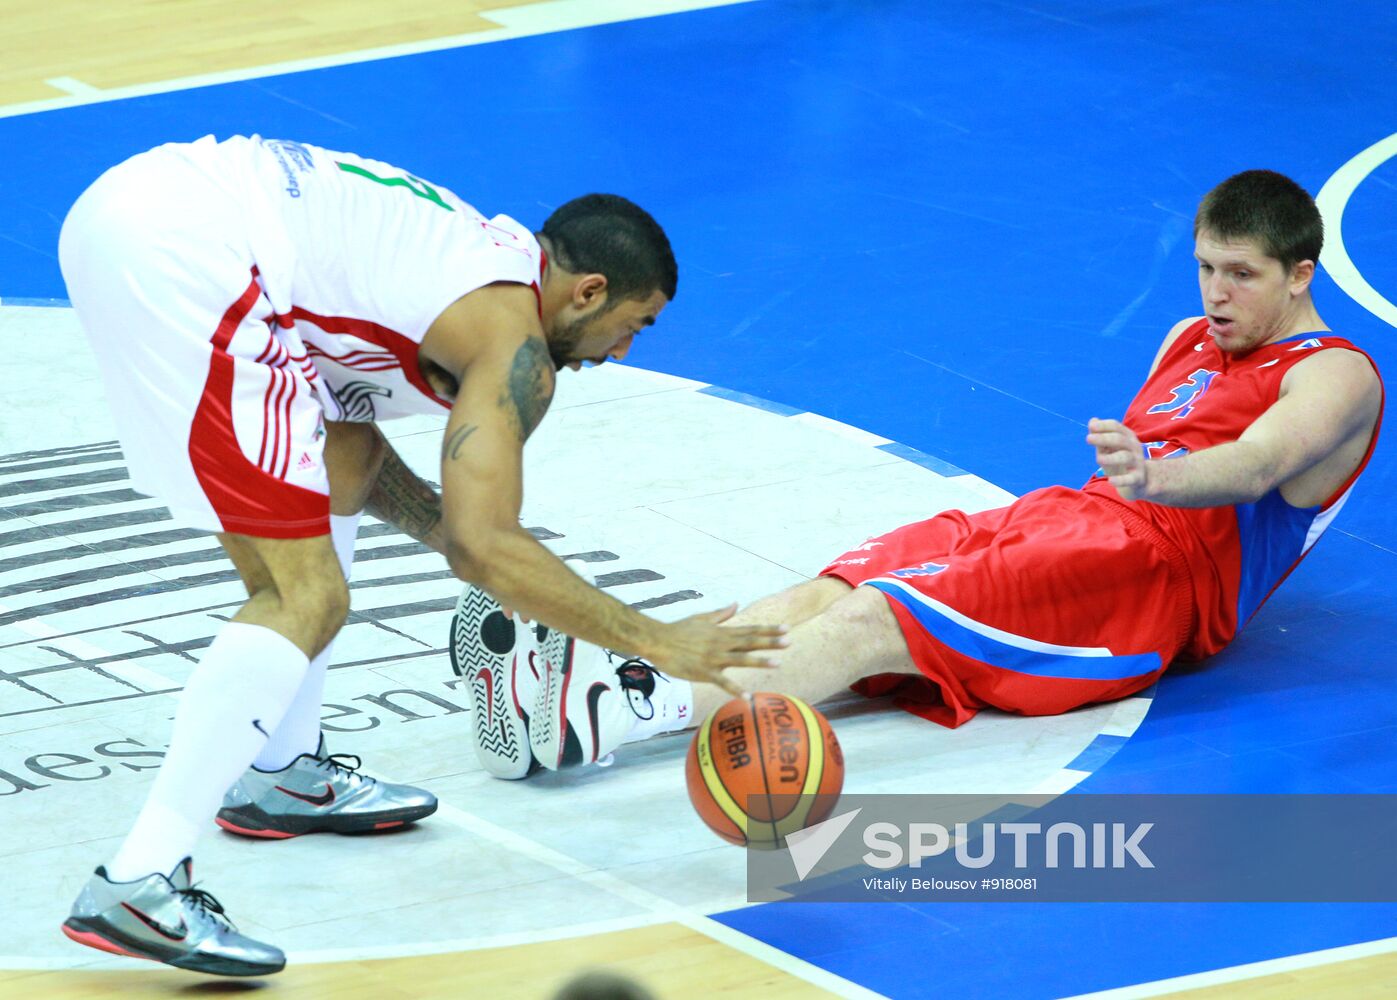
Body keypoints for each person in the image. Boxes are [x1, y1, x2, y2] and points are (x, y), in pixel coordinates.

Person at [55, 134, 786, 976]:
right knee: (302, 597)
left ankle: (279, 773)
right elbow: (485, 546)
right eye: (634, 324)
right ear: (588, 290)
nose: (622, 351)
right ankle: (138, 879)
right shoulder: (514, 347)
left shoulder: (469, 271)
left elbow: (351, 455)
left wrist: (486, 556)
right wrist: (657, 641)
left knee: (322, 493)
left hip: (147, 211)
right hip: (191, 246)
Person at [455, 168, 1383, 778]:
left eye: (1240, 275)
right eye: (1203, 269)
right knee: (838, 584)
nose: (1214, 294)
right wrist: (1127, 485)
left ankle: (600, 721)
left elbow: (1258, 463)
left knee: (877, 619)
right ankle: (608, 669)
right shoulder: (1189, 337)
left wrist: (1153, 479)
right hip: (1073, 519)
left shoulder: (1333, 373)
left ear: (1299, 275)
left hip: (1153, 583)